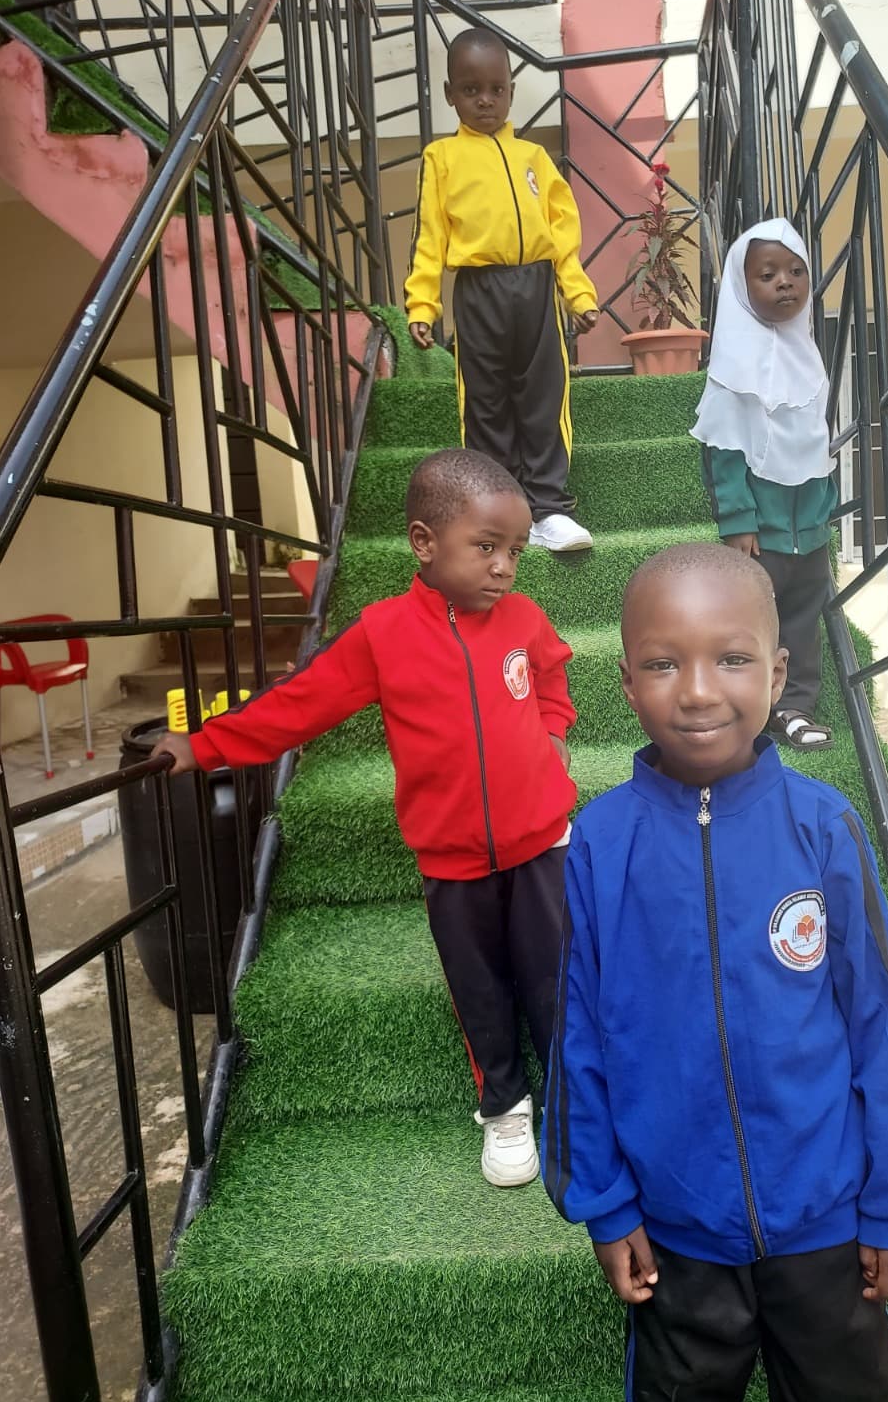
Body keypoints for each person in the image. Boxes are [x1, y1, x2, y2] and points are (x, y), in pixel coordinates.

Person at [543, 542, 888, 1402]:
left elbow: (880, 1024)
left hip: (826, 1223)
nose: (699, 690)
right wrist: (604, 1206)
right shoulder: (598, 845)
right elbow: (579, 1041)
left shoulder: (826, 827)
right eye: (663, 663)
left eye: (733, 657)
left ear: (780, 671)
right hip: (677, 1233)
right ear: (627, 683)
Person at [151, 449, 577, 1189]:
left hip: (543, 843)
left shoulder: (524, 618)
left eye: (514, 550)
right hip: (452, 861)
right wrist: (201, 745)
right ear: (423, 542)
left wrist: (553, 734)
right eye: (486, 547)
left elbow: (552, 670)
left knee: (556, 978)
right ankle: (505, 1106)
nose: (505, 566)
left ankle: (576, 1101)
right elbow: (296, 706)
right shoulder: (383, 635)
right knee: (479, 987)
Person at [405, 26, 600, 554]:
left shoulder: (533, 158)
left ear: (511, 89)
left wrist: (576, 294)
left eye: (496, 88)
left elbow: (562, 233)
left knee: (543, 396)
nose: (485, 100)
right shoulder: (441, 158)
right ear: (450, 94)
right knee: (485, 402)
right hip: (478, 291)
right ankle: (501, 509)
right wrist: (424, 303)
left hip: (535, 289)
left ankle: (550, 509)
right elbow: (430, 236)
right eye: (471, 90)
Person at [692, 216, 839, 752]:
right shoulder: (735, 363)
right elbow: (726, 449)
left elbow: (815, 448)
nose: (785, 282)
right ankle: (754, 707)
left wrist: (823, 516)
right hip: (763, 536)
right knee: (757, 624)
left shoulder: (808, 358)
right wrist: (737, 521)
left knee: (803, 619)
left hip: (810, 532)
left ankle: (797, 707)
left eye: (796, 271)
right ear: (740, 284)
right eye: (768, 273)